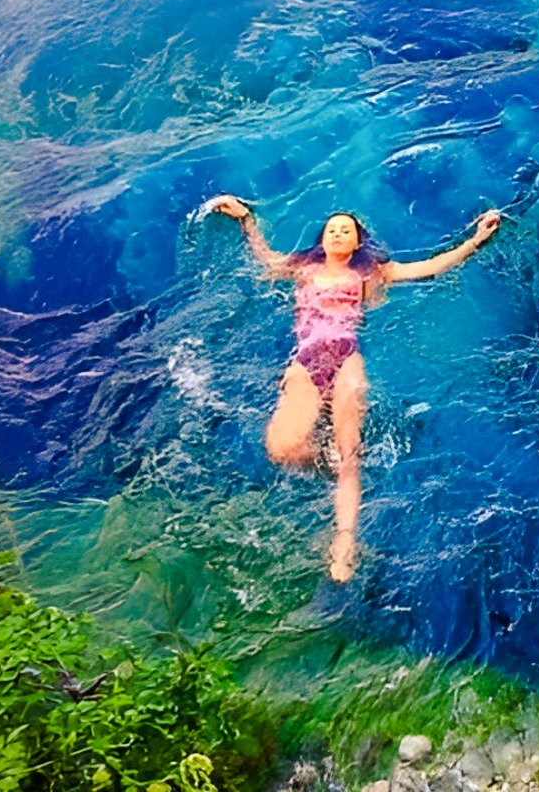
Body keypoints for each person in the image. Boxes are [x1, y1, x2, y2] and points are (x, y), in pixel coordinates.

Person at [206, 195, 501, 582]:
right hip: (305, 364)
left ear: (358, 242)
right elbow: (265, 257)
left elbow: (428, 268)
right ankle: (328, 465)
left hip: (345, 361)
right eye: (332, 229)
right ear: (322, 240)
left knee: (350, 454)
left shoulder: (371, 273)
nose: (338, 232)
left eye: (346, 229)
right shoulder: (301, 268)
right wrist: (246, 219)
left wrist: (474, 241)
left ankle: (344, 542)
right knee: (281, 448)